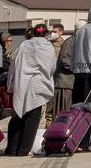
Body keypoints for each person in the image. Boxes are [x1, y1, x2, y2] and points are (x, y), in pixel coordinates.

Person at [5, 23, 56, 157]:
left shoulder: (24, 45)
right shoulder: (48, 47)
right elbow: (51, 67)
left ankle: (12, 148)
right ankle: (23, 149)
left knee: (18, 116)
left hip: (22, 83)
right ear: (46, 34)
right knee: (32, 118)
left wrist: (10, 84)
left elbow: (14, 64)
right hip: (38, 84)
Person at [47, 22, 77, 128]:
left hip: (58, 76)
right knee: (50, 102)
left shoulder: (64, 44)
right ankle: (48, 121)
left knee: (56, 102)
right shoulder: (48, 44)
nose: (53, 33)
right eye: (52, 31)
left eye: (55, 32)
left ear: (61, 32)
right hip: (50, 76)